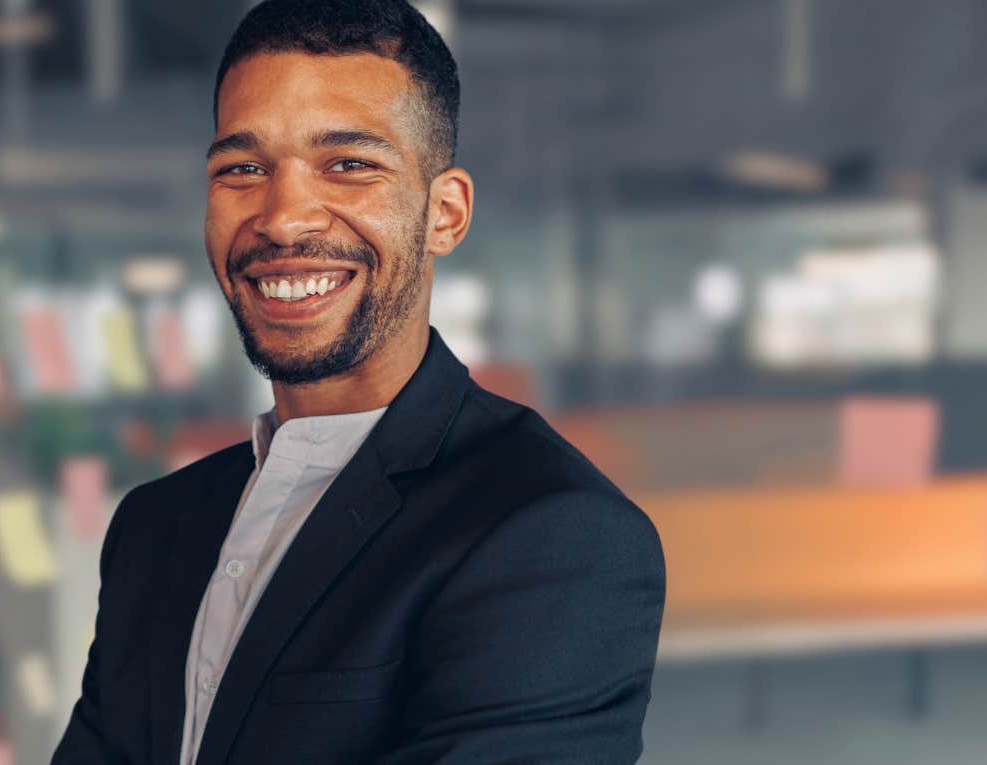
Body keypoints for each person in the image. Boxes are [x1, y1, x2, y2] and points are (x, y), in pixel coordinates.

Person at [52, 0, 666, 762]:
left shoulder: (552, 535)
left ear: (444, 213)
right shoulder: (154, 527)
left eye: (347, 164)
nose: (282, 218)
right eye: (242, 168)